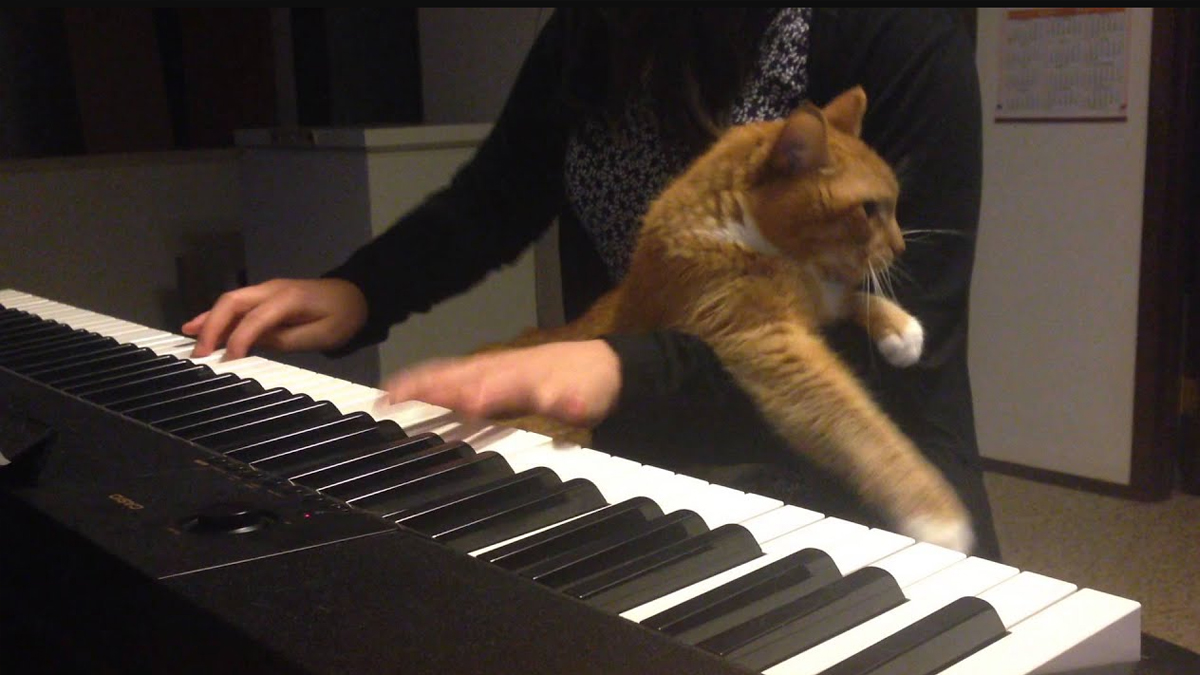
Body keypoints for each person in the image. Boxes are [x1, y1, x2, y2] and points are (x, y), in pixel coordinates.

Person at [184, 8, 1002, 560]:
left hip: (856, 489)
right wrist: (361, 290)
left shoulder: (894, 34)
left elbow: (904, 336)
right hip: (656, 459)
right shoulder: (594, 29)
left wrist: (624, 369)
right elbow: (496, 195)